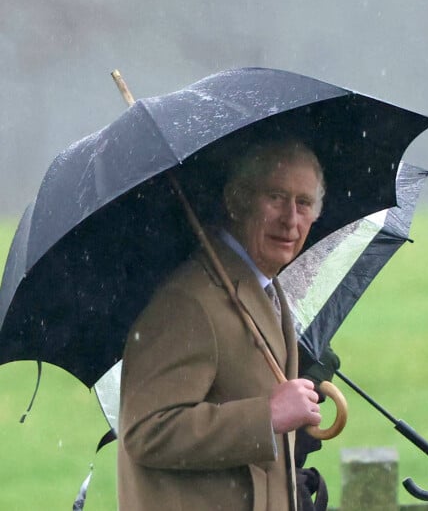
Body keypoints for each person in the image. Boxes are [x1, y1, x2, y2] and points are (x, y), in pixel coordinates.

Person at [117, 139, 327, 511]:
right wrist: (267, 416)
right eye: (276, 197)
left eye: (304, 203)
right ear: (237, 201)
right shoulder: (189, 300)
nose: (291, 219)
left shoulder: (264, 286)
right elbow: (146, 429)